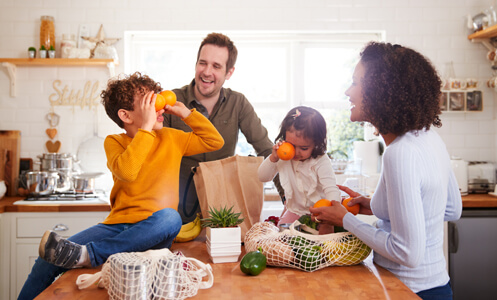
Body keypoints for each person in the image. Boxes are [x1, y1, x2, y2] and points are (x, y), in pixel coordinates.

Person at [18, 72, 224, 299]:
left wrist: (185, 112)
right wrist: (146, 128)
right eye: (148, 103)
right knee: (48, 256)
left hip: (154, 230)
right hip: (117, 226)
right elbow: (127, 171)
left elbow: (214, 141)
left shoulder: (172, 138)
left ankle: (89, 255)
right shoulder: (115, 142)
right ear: (125, 115)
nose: (158, 106)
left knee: (171, 217)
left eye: (156, 99)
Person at [309, 42, 462, 300]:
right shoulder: (429, 138)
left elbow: (407, 254)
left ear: (382, 91)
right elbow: (450, 208)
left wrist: (344, 219)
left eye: (356, 82)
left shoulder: (399, 153)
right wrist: (380, 205)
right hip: (438, 288)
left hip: (408, 291)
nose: (348, 91)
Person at [163, 32, 281, 223]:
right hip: (175, 210)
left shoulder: (238, 103)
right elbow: (154, 155)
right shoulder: (172, 101)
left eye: (216, 66)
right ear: (196, 64)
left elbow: (268, 151)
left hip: (222, 212)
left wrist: (287, 200)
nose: (207, 72)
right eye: (203, 63)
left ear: (229, 72)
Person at [258, 106, 341, 234]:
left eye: (303, 148)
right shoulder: (283, 156)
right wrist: (273, 157)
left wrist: (329, 219)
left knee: (323, 243)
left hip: (320, 214)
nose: (296, 153)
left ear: (316, 143)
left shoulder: (321, 161)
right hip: (295, 211)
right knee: (282, 237)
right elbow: (262, 177)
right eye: (291, 145)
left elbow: (331, 190)